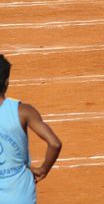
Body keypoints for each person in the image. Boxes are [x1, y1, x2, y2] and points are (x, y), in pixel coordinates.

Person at [0, 55, 62, 203]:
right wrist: (43, 170)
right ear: (7, 82)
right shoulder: (23, 111)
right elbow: (54, 143)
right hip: (20, 194)